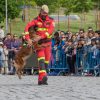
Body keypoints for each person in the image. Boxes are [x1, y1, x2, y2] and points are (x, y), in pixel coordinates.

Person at [23, 5, 55, 85]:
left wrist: (41, 36)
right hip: (39, 44)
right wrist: (28, 39)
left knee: (46, 62)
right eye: (44, 13)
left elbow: (50, 30)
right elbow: (27, 27)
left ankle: (40, 79)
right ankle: (44, 76)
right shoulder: (35, 20)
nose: (45, 14)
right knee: (41, 60)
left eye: (46, 13)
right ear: (40, 11)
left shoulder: (51, 20)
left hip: (47, 43)